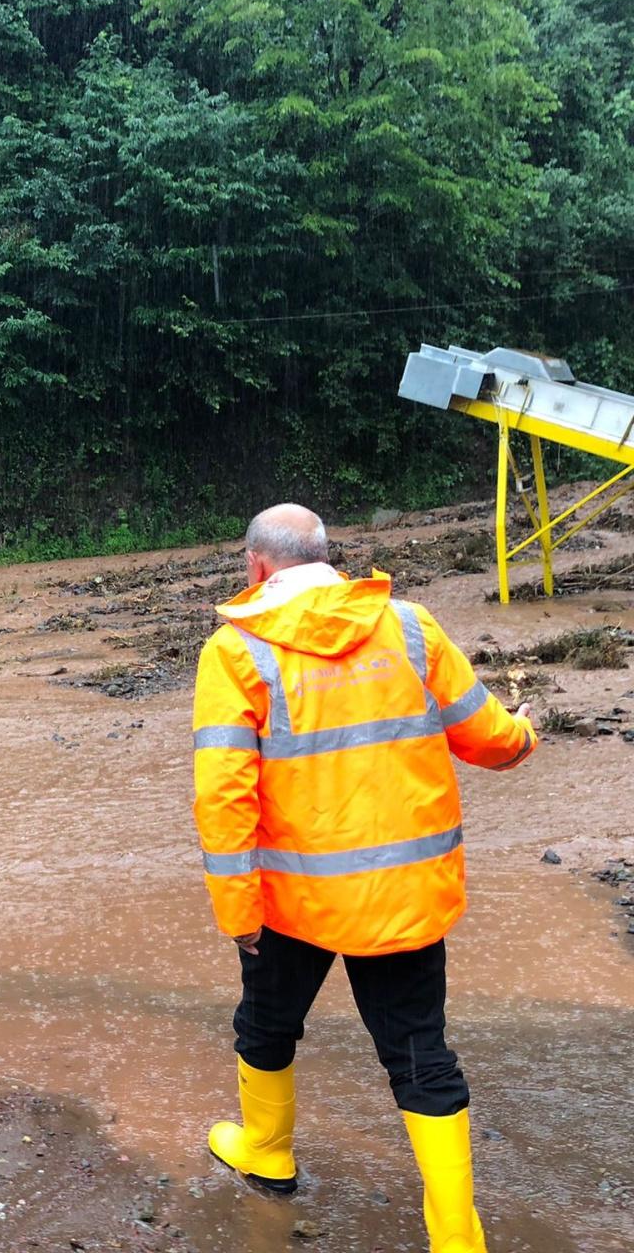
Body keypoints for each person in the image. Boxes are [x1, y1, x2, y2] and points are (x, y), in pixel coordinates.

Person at [192, 503, 536, 1253]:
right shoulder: (410, 626)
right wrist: (524, 736)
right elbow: (486, 735)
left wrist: (236, 908)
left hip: (295, 901)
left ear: (256, 566)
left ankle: (268, 1151)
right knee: (420, 1057)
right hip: (405, 898)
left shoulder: (236, 650)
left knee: (267, 1027)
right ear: (328, 557)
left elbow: (223, 796)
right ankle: (456, 1237)